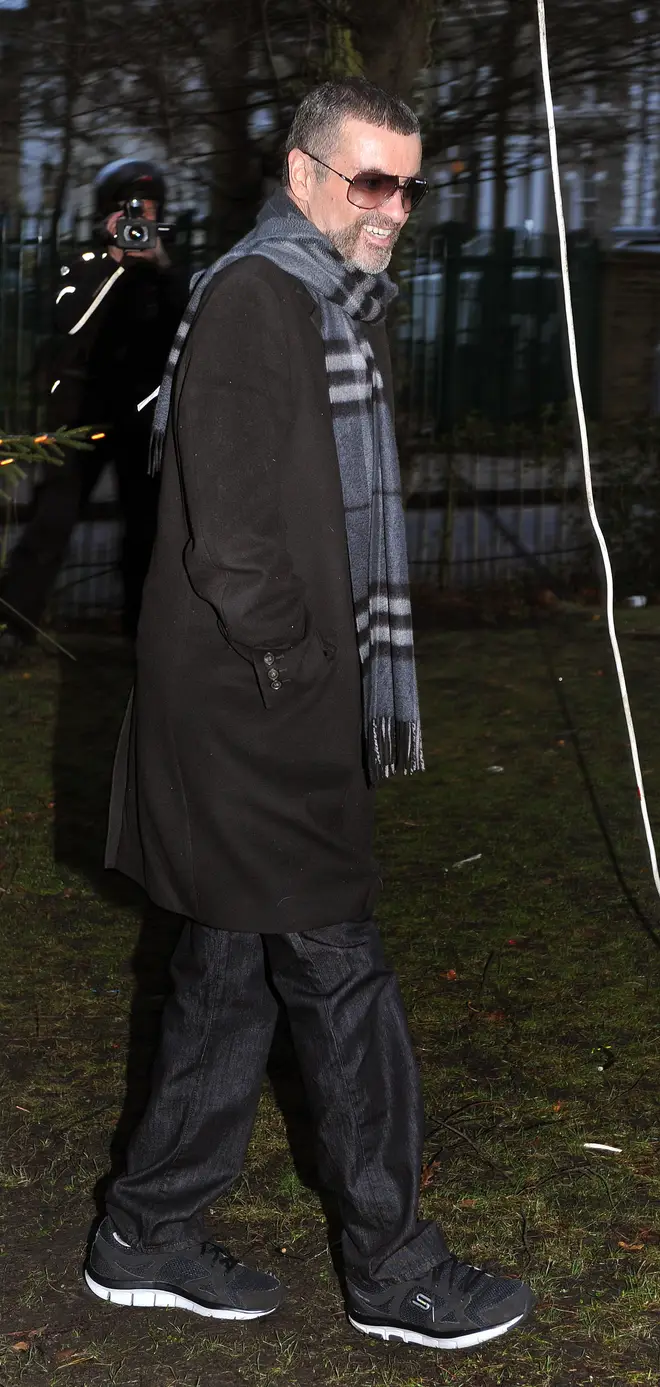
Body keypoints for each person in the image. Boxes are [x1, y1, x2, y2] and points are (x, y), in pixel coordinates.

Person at [85, 80, 535, 1351]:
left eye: (408, 183)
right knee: (342, 980)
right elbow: (231, 538)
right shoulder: (256, 301)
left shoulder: (316, 300)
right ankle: (396, 1269)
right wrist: (294, 669)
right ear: (303, 176)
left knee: (231, 974)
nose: (392, 207)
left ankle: (146, 1231)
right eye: (369, 180)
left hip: (262, 706)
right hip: (251, 713)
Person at [0, 158, 187, 662]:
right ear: (107, 213)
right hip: (79, 416)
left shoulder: (165, 274)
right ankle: (12, 629)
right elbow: (74, 323)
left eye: (148, 211)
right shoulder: (80, 267)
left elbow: (183, 334)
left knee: (143, 529)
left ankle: (140, 635)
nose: (139, 219)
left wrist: (160, 269)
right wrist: (115, 262)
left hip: (140, 419)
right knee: (50, 524)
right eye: (130, 210)